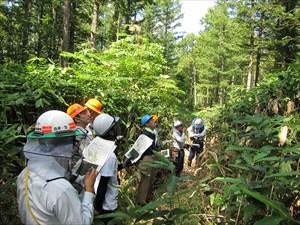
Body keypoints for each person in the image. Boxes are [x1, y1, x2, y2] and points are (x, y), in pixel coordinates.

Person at [17, 110, 98, 225]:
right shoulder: (61, 190)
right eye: (73, 141)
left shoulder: (24, 174)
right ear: (65, 144)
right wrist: (89, 190)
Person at [91, 113, 121, 224]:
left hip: (96, 197)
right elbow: (104, 183)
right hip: (107, 206)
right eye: (115, 127)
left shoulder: (95, 145)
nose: (118, 129)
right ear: (111, 131)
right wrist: (97, 207)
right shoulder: (110, 156)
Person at [135, 114, 159, 205]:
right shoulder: (145, 134)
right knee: (145, 181)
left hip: (152, 157)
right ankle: (140, 202)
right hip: (147, 158)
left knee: (151, 179)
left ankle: (147, 200)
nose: (154, 122)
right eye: (152, 121)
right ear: (147, 123)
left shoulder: (152, 133)